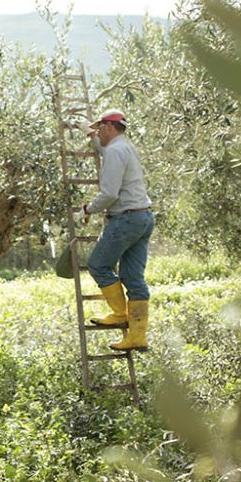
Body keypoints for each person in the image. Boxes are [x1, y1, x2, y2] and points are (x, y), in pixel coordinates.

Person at [81, 109, 154, 351]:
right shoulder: (124, 147)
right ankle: (137, 337)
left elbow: (109, 193)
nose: (99, 132)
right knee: (133, 278)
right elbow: (103, 148)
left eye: (100, 128)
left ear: (110, 128)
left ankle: (119, 313)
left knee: (98, 265)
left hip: (125, 219)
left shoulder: (114, 151)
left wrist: (86, 210)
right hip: (143, 217)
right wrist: (90, 134)